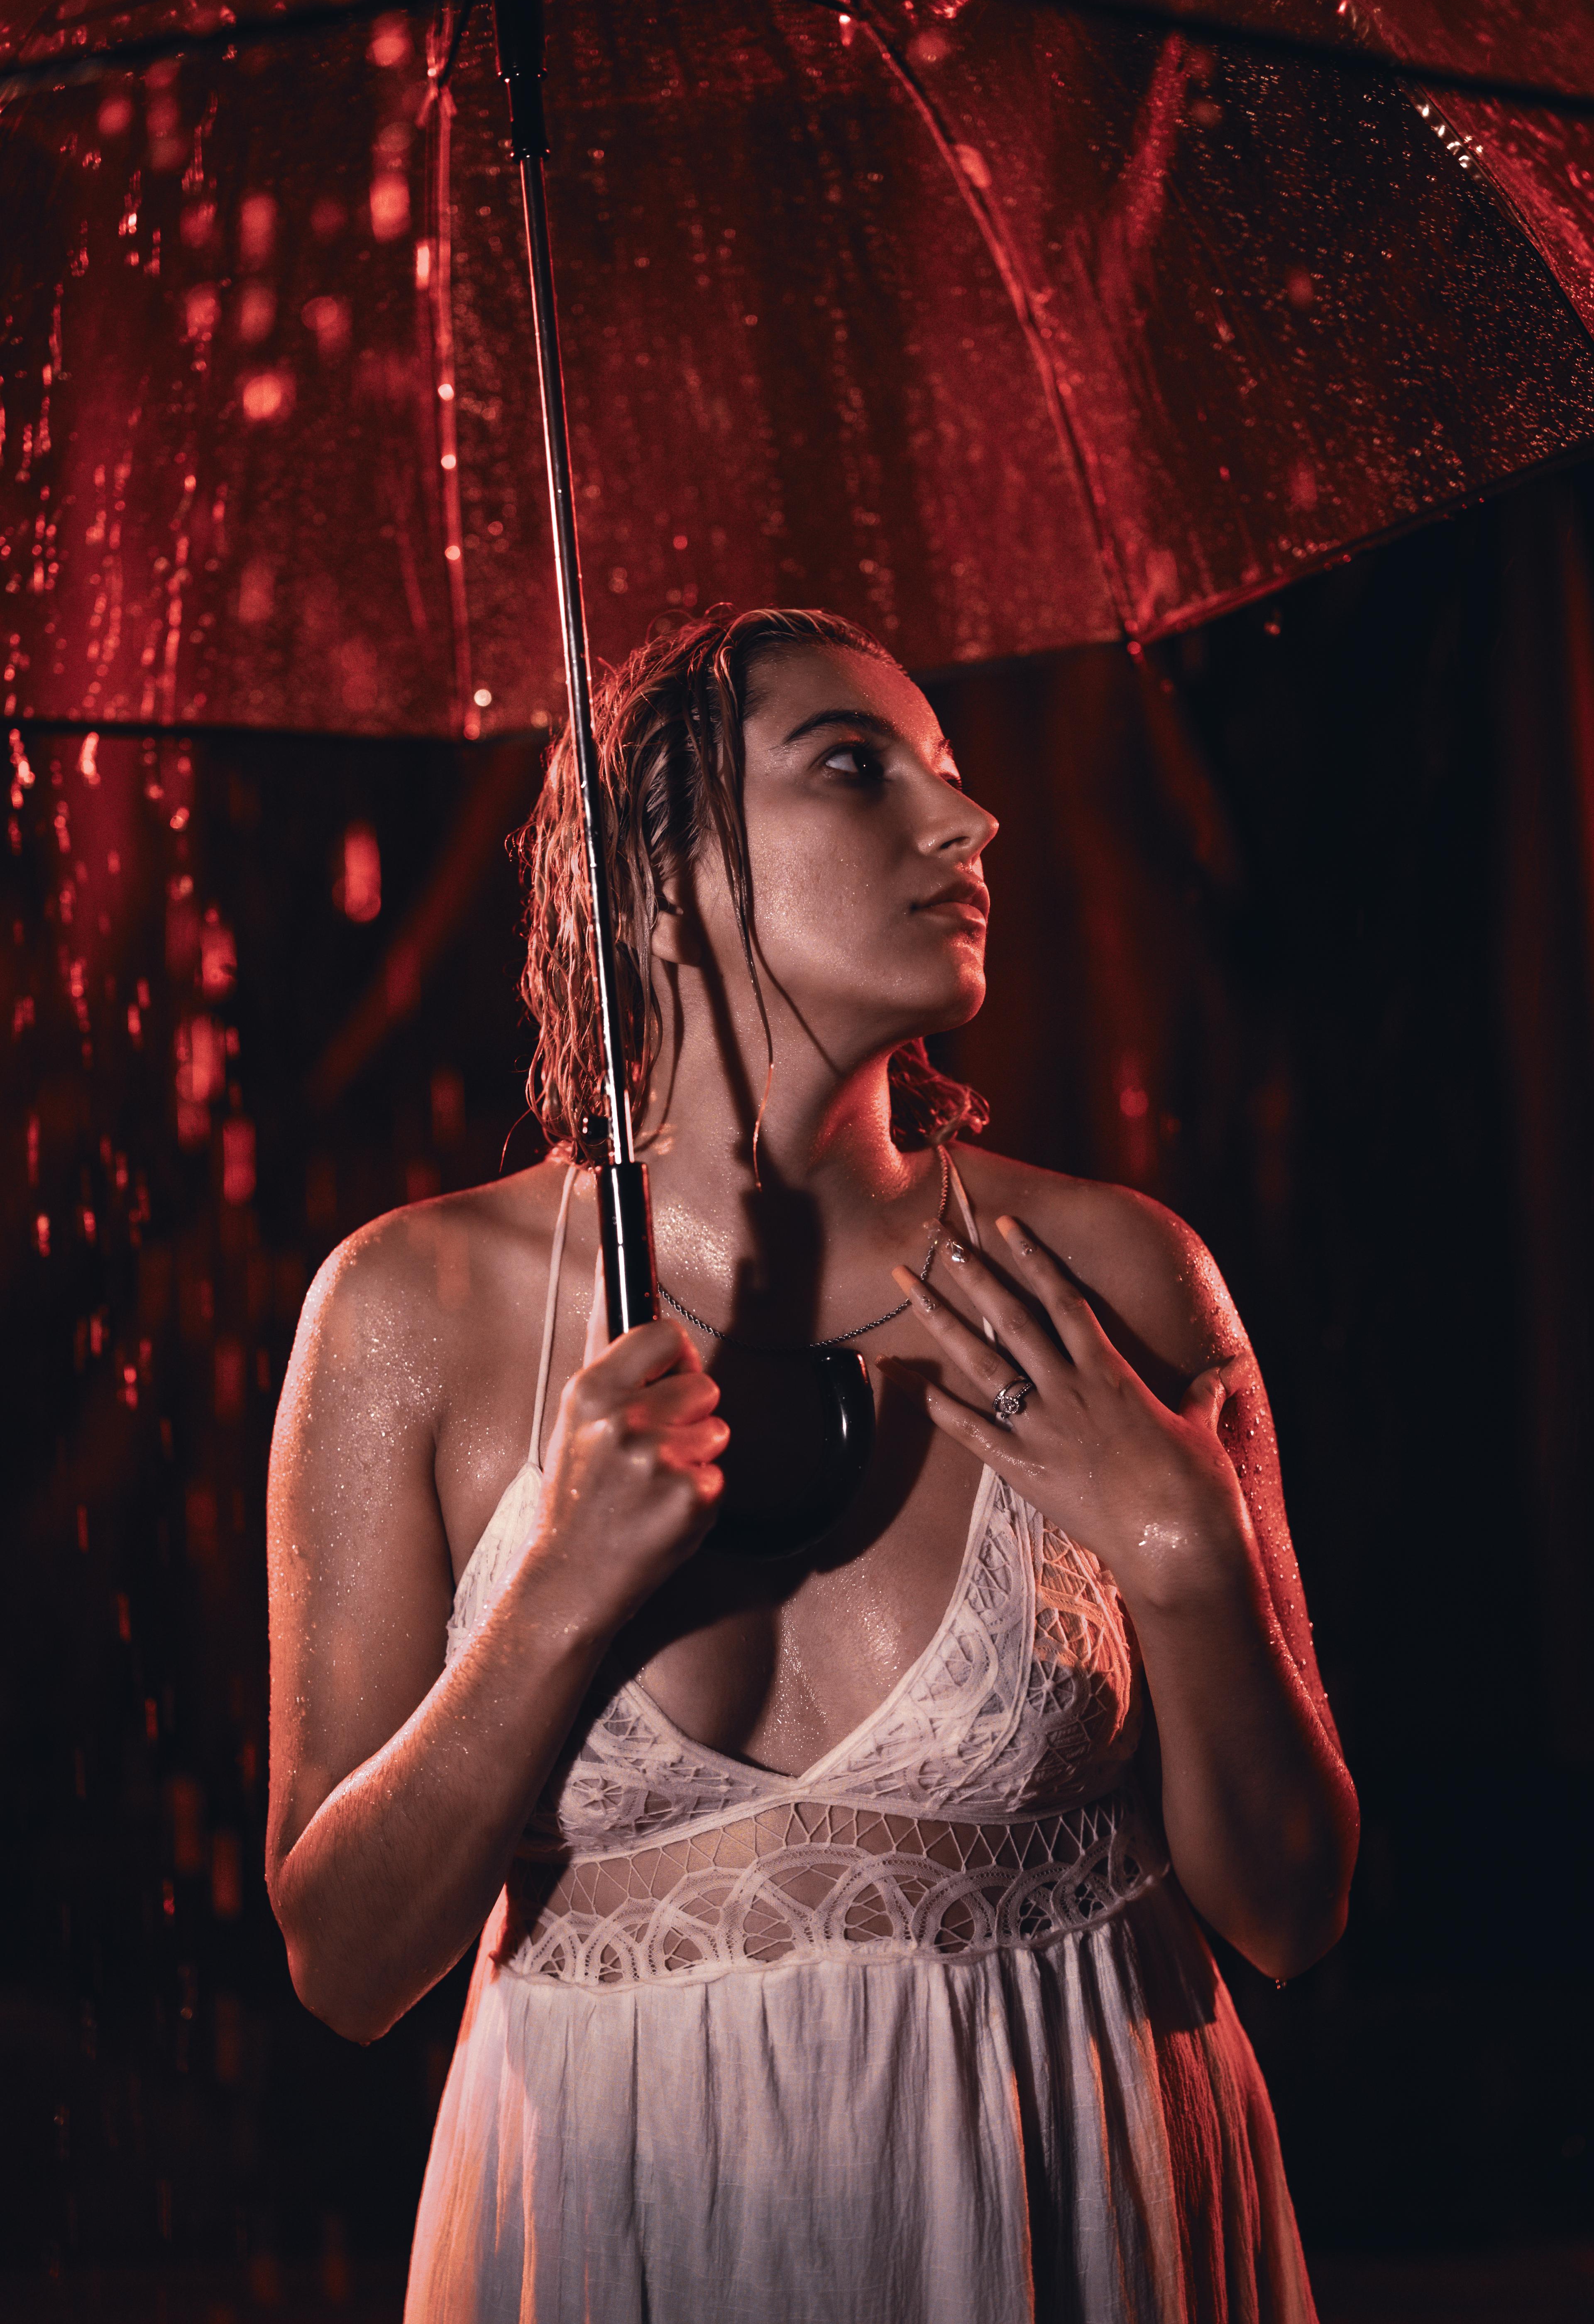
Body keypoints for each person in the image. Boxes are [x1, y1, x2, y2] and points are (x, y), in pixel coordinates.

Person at [266, 606, 1357, 2323]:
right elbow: (345, 1962)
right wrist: (550, 1603)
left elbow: (1292, 1911)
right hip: (623, 2238)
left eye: (951, 773)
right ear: (657, 879)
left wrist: (1184, 1552)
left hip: (1067, 2217)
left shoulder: (1119, 1278)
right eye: (856, 768)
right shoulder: (410, 1313)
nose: (969, 822)